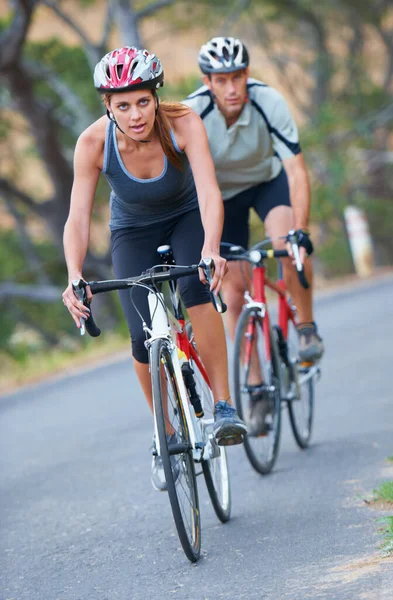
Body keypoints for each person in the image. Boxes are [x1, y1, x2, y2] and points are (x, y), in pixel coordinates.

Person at [62, 46, 246, 490]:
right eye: (123, 105)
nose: (136, 114)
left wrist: (210, 249)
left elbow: (207, 192)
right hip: (132, 230)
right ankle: (163, 436)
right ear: (107, 106)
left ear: (155, 97)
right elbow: (78, 217)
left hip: (186, 217)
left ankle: (223, 407)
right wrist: (74, 275)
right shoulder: (91, 144)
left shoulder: (182, 123)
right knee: (142, 338)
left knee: (199, 292)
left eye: (143, 101)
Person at [183, 36, 324, 436]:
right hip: (221, 199)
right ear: (207, 81)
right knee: (233, 288)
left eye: (238, 77)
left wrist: (302, 228)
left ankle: (307, 327)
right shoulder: (195, 111)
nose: (232, 88)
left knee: (287, 245)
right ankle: (257, 385)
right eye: (221, 80)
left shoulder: (268, 101)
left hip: (267, 183)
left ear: (247, 75)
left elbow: (296, 170)